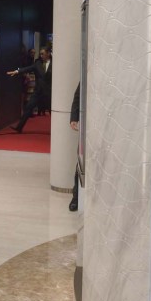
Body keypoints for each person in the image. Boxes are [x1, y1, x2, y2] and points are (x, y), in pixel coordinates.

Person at [6, 48, 52, 133]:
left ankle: (56, 130)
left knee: (51, 111)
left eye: (43, 54)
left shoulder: (54, 64)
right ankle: (19, 128)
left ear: (48, 54)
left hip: (48, 92)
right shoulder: (37, 63)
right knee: (28, 108)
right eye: (40, 54)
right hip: (38, 91)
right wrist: (17, 71)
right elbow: (27, 68)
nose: (41, 56)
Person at [69, 83, 80, 211]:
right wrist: (73, 117)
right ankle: (76, 197)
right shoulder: (88, 72)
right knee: (80, 162)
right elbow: (77, 96)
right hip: (87, 124)